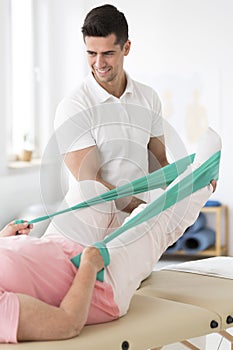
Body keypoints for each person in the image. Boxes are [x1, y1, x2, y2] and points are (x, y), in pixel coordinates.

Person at [0, 128, 220, 343]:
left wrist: (5, 238)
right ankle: (202, 180)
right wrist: (88, 266)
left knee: (89, 189)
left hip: (60, 246)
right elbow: (67, 324)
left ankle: (135, 265)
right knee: (149, 218)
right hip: (97, 283)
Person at [54, 4, 169, 215]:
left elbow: (159, 163)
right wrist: (143, 208)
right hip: (93, 226)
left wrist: (191, 186)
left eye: (107, 53)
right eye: (91, 53)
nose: (99, 63)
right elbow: (92, 186)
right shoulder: (73, 107)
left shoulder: (148, 97)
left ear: (126, 47)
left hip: (140, 223)